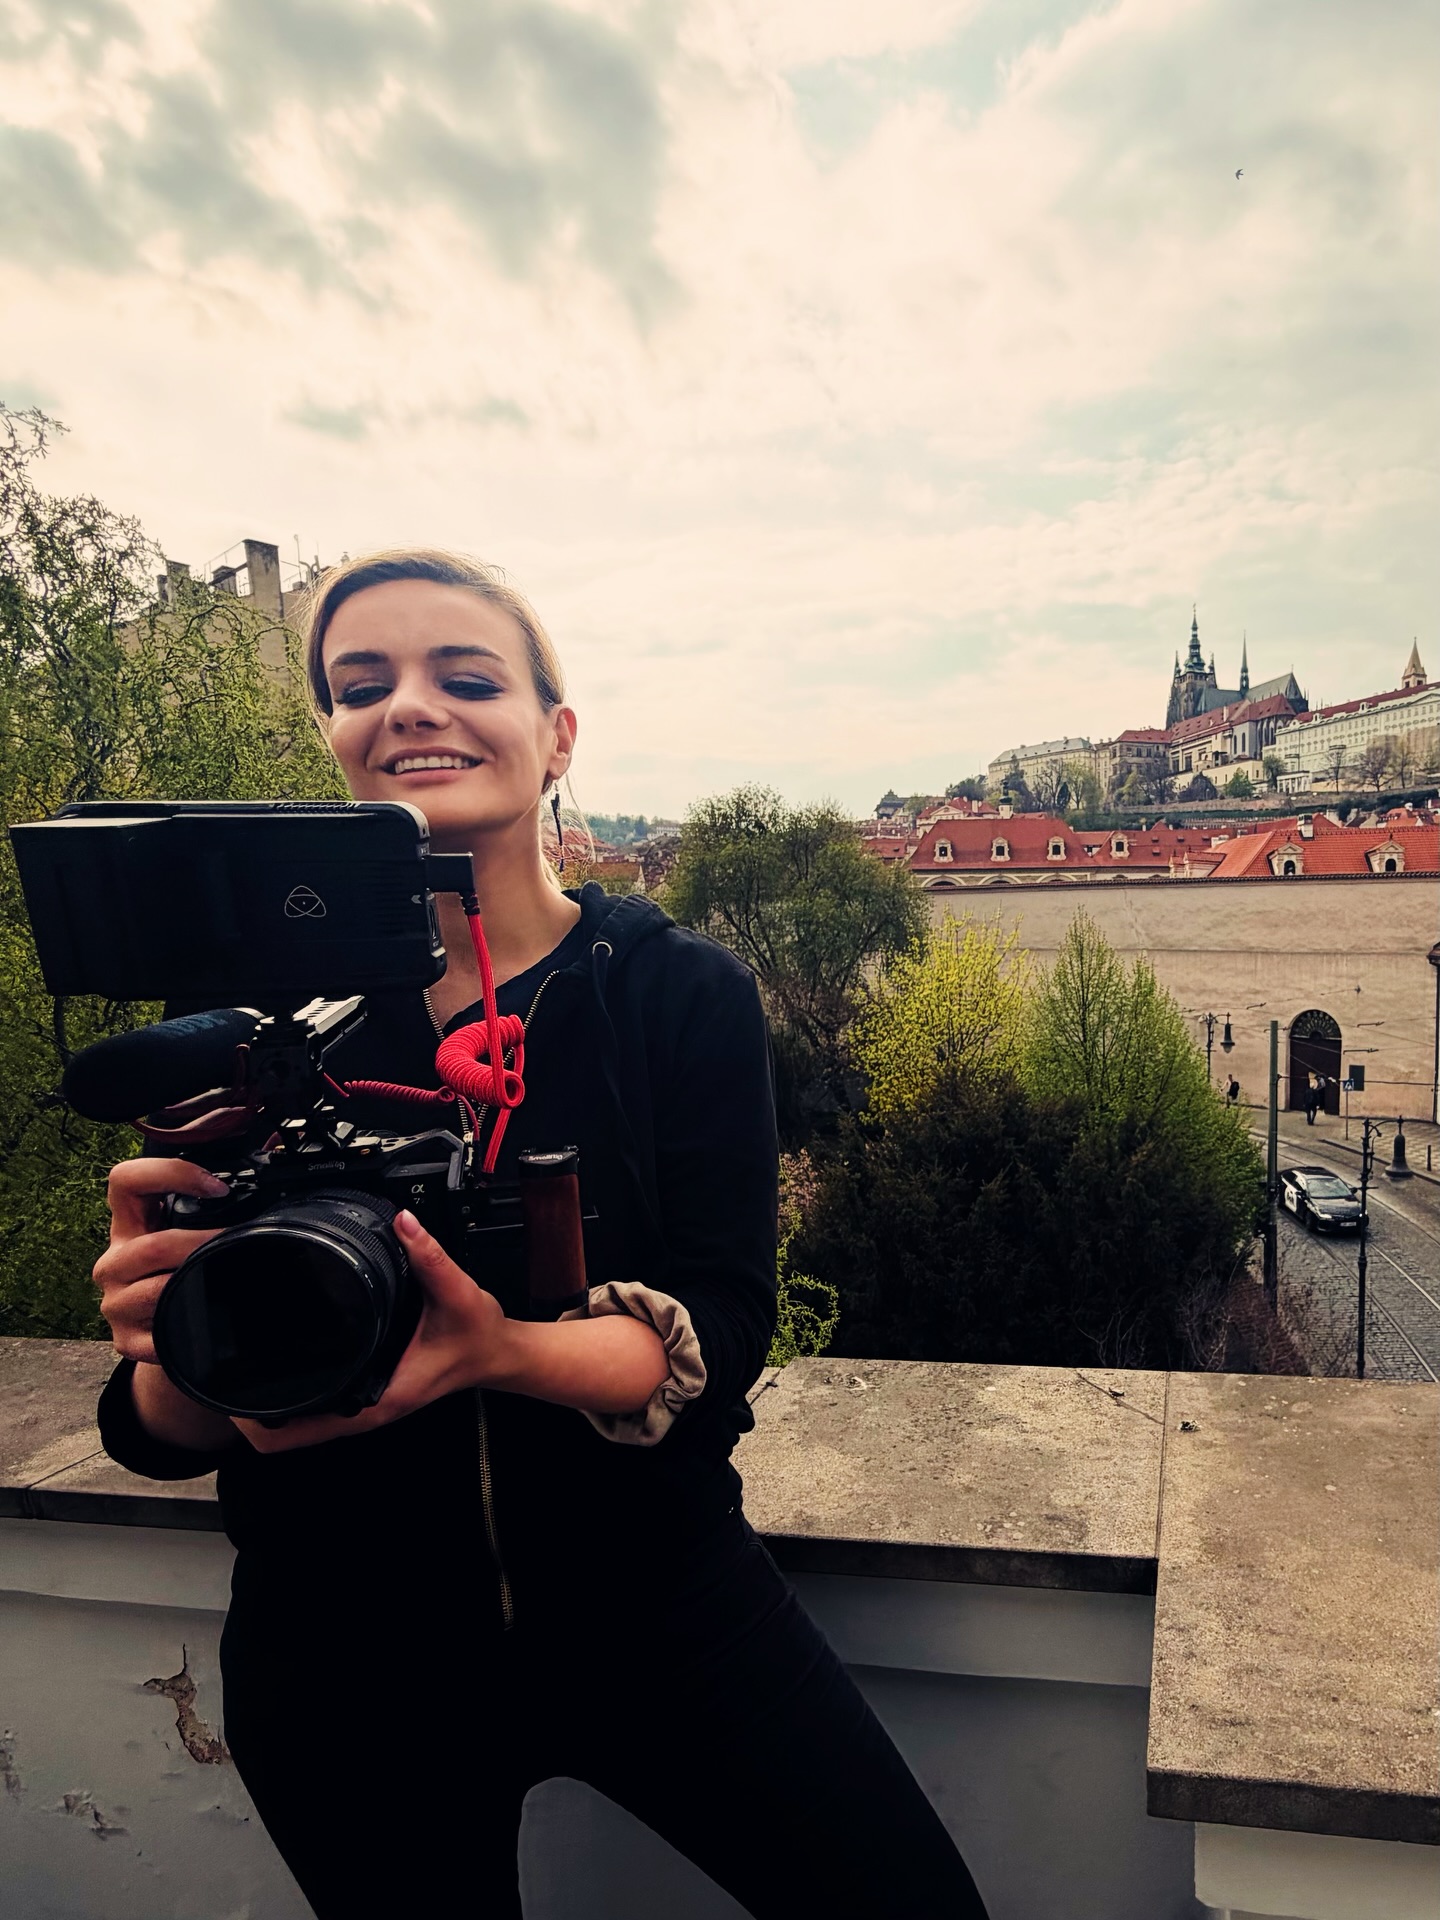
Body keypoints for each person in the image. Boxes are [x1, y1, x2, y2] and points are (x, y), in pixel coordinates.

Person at [92, 551, 989, 1920]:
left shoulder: (672, 991)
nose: (408, 707)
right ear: (333, 739)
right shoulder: (248, 1036)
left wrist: (495, 1351)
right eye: (360, 686)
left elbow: (721, 1329)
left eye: (464, 676)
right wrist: (168, 1341)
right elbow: (162, 1428)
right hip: (343, 1659)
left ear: (557, 736)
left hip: (664, 1608)